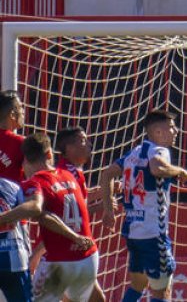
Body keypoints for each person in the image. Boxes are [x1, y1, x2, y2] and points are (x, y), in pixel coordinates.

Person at [99, 110, 187, 302]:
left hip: (134, 232)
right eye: (172, 127)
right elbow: (157, 168)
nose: (176, 131)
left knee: (137, 285)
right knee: (162, 291)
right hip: (153, 233)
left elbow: (106, 174)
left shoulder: (133, 153)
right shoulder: (159, 151)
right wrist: (180, 172)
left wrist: (109, 209)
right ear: (158, 132)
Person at [0, 134, 98, 302]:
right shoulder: (69, 175)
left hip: (59, 260)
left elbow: (38, 211)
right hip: (89, 257)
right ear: (50, 154)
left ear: (25, 161)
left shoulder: (34, 183)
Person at [49, 127, 107, 302]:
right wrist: (102, 206)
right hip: (70, 251)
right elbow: (76, 213)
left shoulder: (70, 170)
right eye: (82, 140)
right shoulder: (69, 173)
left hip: (67, 249)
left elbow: (80, 200)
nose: (89, 144)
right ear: (69, 148)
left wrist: (102, 193)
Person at [0, 167, 31, 302]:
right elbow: (25, 220)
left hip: (14, 261)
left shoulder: (14, 187)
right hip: (15, 258)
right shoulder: (14, 187)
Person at [0, 92, 24, 184]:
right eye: (21, 107)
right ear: (12, 115)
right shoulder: (20, 143)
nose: (23, 111)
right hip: (12, 193)